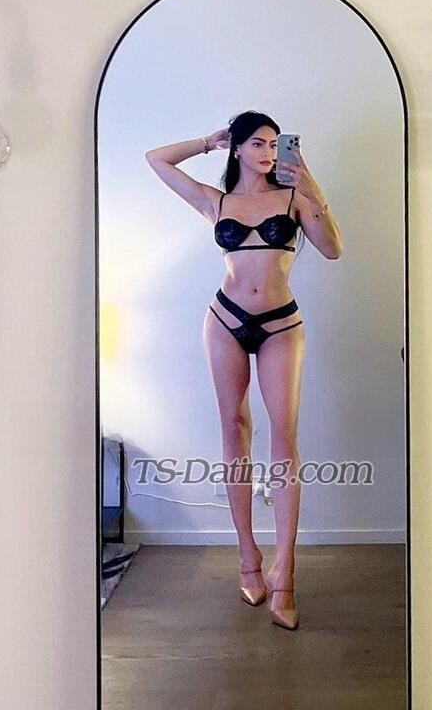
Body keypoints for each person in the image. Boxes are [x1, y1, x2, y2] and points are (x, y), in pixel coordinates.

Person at [145, 111, 342, 630]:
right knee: (233, 429)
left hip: (281, 324)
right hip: (225, 320)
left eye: (274, 144)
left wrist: (311, 183)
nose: (268, 152)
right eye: (257, 143)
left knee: (284, 436)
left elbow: (332, 249)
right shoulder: (217, 202)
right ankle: (248, 558)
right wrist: (204, 142)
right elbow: (156, 160)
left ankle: (285, 574)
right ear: (237, 148)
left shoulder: (294, 197)